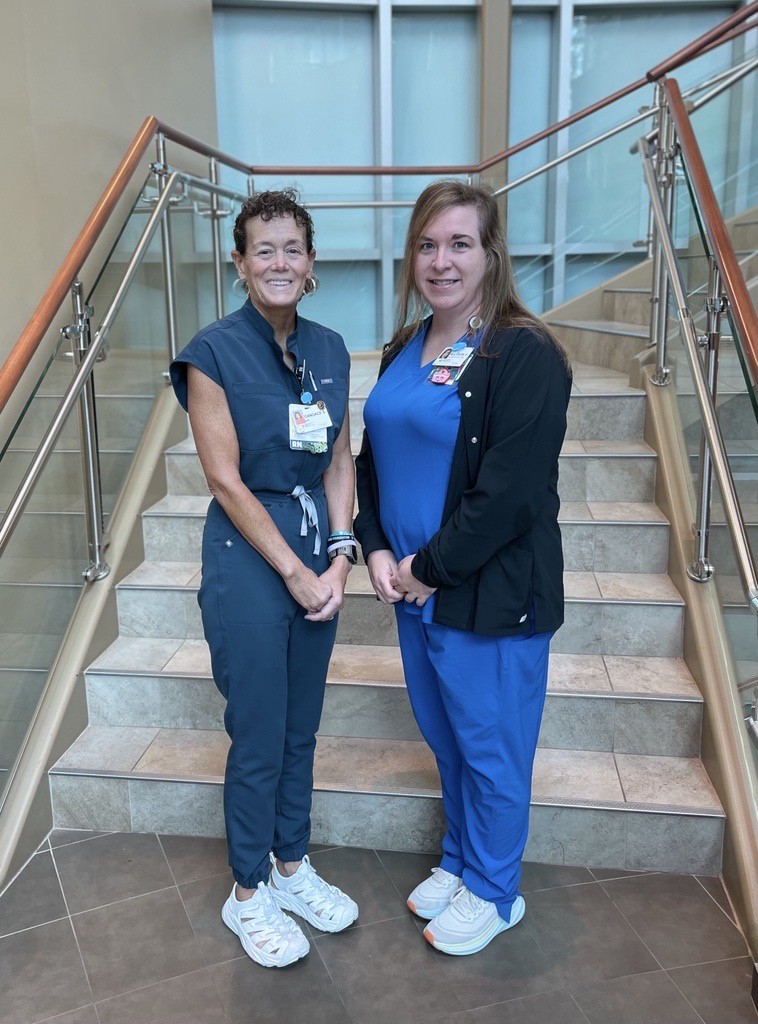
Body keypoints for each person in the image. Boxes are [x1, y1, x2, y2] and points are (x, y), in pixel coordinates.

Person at [355, 179, 571, 957]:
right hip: (414, 589)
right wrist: (377, 549)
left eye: (459, 244)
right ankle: (460, 858)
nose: (440, 261)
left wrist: (428, 567)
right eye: (426, 244)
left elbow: (510, 495)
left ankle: (494, 888)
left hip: (486, 592)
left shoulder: (523, 353)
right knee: (448, 740)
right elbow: (371, 464)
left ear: (490, 253)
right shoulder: (403, 347)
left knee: (492, 747)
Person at [170, 189, 359, 969]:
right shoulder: (212, 352)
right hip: (252, 554)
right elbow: (225, 479)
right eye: (264, 249)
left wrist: (340, 555)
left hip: (320, 544)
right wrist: (293, 571)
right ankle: (246, 890)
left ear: (310, 264)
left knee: (301, 728)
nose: (279, 262)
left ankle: (291, 863)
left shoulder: (333, 347)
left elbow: (341, 458)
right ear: (240, 262)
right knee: (259, 730)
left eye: (293, 249)